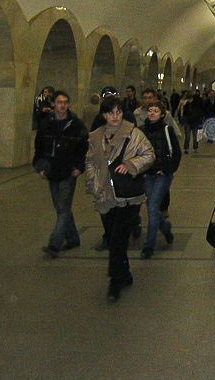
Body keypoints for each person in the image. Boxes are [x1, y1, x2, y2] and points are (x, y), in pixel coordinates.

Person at [85, 96, 154, 301]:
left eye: (118, 112)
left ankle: (115, 282)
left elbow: (149, 155)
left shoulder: (134, 134)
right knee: (114, 237)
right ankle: (125, 273)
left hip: (128, 195)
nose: (115, 116)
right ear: (104, 115)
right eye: (110, 112)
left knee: (117, 238)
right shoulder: (95, 137)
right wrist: (94, 183)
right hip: (105, 194)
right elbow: (90, 161)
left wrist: (131, 164)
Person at [33, 90, 89, 257]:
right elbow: (39, 147)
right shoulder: (46, 124)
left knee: (63, 208)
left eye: (65, 102)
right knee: (61, 206)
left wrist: (80, 166)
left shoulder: (76, 125)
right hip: (52, 171)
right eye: (59, 102)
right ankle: (73, 238)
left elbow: (85, 148)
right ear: (54, 104)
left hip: (69, 171)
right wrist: (39, 166)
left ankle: (54, 244)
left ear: (68, 104)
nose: (62, 105)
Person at [139, 101, 181, 258]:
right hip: (147, 174)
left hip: (162, 175)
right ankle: (165, 228)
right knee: (153, 207)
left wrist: (169, 169)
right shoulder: (141, 131)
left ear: (162, 114)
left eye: (155, 111)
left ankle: (148, 246)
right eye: (150, 110)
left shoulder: (167, 130)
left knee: (152, 207)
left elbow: (176, 152)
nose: (152, 113)